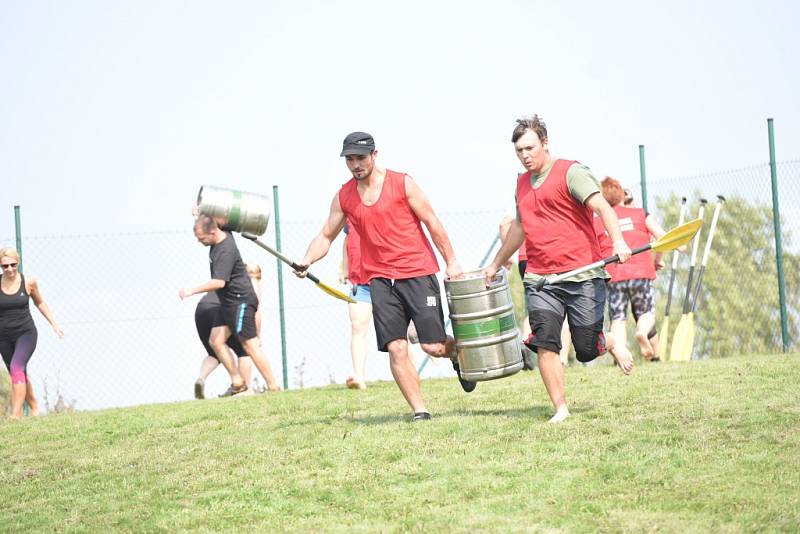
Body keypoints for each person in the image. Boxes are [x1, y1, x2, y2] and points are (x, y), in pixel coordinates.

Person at [294, 131, 474, 421]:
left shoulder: (402, 184)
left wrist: (451, 261)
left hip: (417, 272)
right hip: (379, 280)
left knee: (433, 346)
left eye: (360, 157)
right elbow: (326, 235)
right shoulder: (344, 196)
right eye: (349, 159)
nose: (355, 164)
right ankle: (420, 410)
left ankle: (456, 356)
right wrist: (306, 259)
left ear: (374, 155)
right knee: (397, 347)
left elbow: (432, 222)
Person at [483, 115, 634, 423]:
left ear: (545, 143)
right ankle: (560, 409)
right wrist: (496, 263)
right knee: (546, 343)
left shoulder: (571, 172)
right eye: (519, 151)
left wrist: (618, 242)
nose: (525, 156)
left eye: (530, 148)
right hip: (541, 278)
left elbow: (603, 208)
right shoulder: (521, 184)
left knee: (586, 349)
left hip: (583, 275)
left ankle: (611, 341)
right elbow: (520, 229)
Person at [179, 215, 280, 395]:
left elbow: (219, 283)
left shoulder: (225, 251)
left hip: (240, 301)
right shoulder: (222, 232)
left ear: (212, 233)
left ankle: (273, 387)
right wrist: (198, 214)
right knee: (216, 341)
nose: (198, 241)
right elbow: (214, 217)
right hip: (227, 303)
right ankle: (237, 381)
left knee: (250, 346)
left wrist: (191, 290)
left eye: (201, 238)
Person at [594, 177, 668, 361]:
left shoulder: (597, 221)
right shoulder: (640, 214)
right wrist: (657, 260)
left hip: (614, 274)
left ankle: (622, 355)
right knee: (646, 312)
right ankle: (642, 332)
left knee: (618, 319)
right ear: (621, 195)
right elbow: (661, 238)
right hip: (641, 272)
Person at [0, 247, 64, 418]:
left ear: (18, 263)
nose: (10, 269)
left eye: (13, 265)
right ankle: (34, 406)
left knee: (16, 367)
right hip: (3, 337)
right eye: (5, 266)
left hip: (25, 334)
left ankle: (16, 415)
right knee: (18, 372)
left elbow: (40, 303)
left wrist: (54, 324)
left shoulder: (28, 282)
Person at [193, 262, 263, 399]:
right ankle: (244, 389)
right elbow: (255, 312)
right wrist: (257, 336)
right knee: (244, 349)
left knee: (214, 352)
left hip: (202, 308)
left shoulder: (228, 278)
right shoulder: (251, 284)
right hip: (223, 309)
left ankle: (201, 378)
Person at [338, 222, 371, 390]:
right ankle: (359, 376)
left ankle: (410, 373)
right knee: (357, 327)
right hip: (360, 282)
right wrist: (344, 269)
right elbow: (347, 239)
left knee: (399, 334)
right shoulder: (349, 211)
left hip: (388, 281)